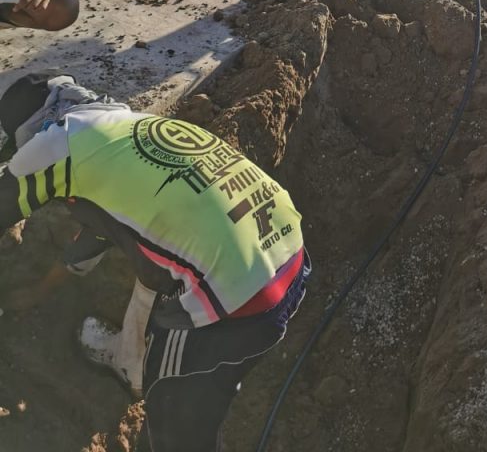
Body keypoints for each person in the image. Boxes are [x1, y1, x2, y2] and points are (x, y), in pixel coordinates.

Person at [0, 73, 309, 452]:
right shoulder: (122, 129)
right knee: (207, 368)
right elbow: (100, 233)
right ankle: (156, 370)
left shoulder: (52, 144)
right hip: (288, 257)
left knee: (171, 420)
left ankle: (170, 391)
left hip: (232, 301)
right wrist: (37, 292)